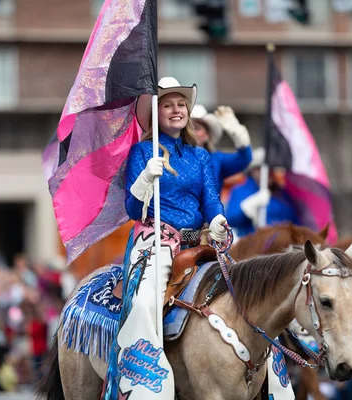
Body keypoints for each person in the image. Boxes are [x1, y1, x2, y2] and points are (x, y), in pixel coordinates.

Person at [108, 77, 228, 400]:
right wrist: (145, 177)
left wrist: (217, 219)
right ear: (156, 114)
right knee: (146, 301)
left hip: (198, 245)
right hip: (157, 243)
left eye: (180, 104)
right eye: (167, 105)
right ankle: (141, 381)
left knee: (244, 288)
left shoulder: (200, 156)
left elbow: (211, 198)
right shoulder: (141, 151)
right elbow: (133, 208)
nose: (176, 110)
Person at [225, 147, 300, 237]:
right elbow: (230, 220)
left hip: (280, 246)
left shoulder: (283, 194)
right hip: (249, 244)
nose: (267, 173)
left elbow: (295, 224)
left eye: (271, 169)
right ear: (252, 171)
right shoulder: (240, 190)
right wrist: (245, 208)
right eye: (260, 169)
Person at [190, 104, 252, 192]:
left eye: (197, 128)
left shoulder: (217, 160)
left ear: (207, 135)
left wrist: (239, 135)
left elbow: (244, 159)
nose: (191, 133)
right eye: (187, 128)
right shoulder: (171, 157)